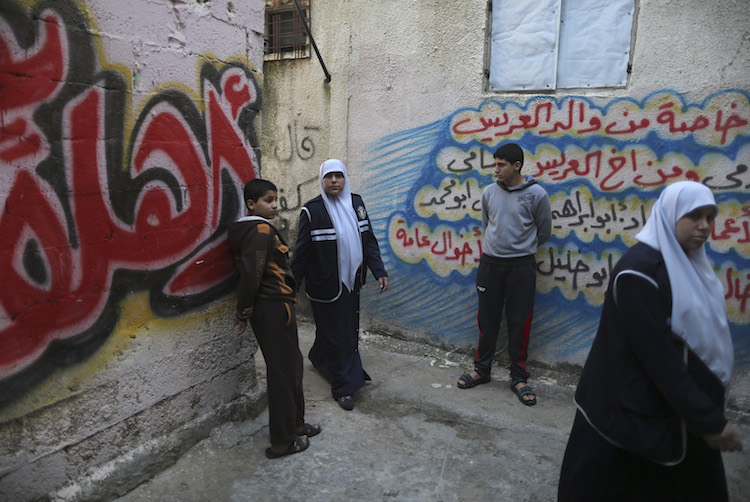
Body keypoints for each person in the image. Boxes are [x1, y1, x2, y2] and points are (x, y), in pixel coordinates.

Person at [557, 181, 743, 501]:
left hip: (667, 410)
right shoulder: (640, 272)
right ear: (671, 216)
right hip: (628, 413)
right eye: (694, 216)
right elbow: (659, 357)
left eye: (710, 218)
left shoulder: (685, 265)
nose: (703, 226)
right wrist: (707, 419)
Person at [229, 179, 321, 459]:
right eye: (268, 200)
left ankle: (295, 424)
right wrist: (243, 310)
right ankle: (282, 441)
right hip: (272, 308)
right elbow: (252, 275)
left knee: (292, 366)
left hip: (279, 306)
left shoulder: (261, 229)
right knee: (282, 372)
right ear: (251, 204)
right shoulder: (258, 230)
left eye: (275, 199)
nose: (274, 205)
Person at [457, 143, 551, 406]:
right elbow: (488, 225)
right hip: (490, 266)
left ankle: (519, 377)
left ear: (517, 166)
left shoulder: (537, 195)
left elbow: (544, 232)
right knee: (487, 321)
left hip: (521, 267)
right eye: (494, 164)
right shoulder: (489, 192)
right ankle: (482, 369)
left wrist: (520, 248)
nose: (495, 169)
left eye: (501, 165)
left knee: (519, 323)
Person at [291, 159, 389, 411]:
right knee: (338, 335)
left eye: (339, 176)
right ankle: (343, 386)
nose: (334, 180)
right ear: (322, 181)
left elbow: (369, 241)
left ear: (345, 179)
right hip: (325, 285)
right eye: (329, 176)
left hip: (352, 281)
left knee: (344, 329)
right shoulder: (312, 211)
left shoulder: (356, 203)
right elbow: (300, 254)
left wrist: (378, 269)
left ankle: (319, 357)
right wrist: (290, 289)